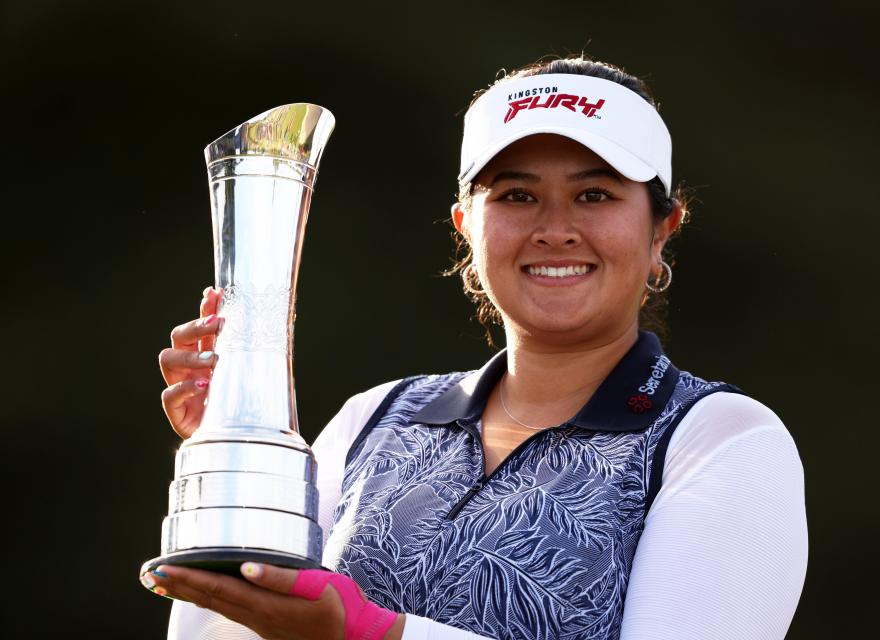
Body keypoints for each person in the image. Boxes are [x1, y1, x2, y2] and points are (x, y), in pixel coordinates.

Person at [145, 56, 808, 640]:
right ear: (466, 225)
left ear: (662, 228)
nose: (554, 229)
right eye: (517, 195)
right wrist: (226, 455)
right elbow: (222, 634)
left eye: (595, 195)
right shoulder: (373, 421)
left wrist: (377, 636)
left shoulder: (721, 440)